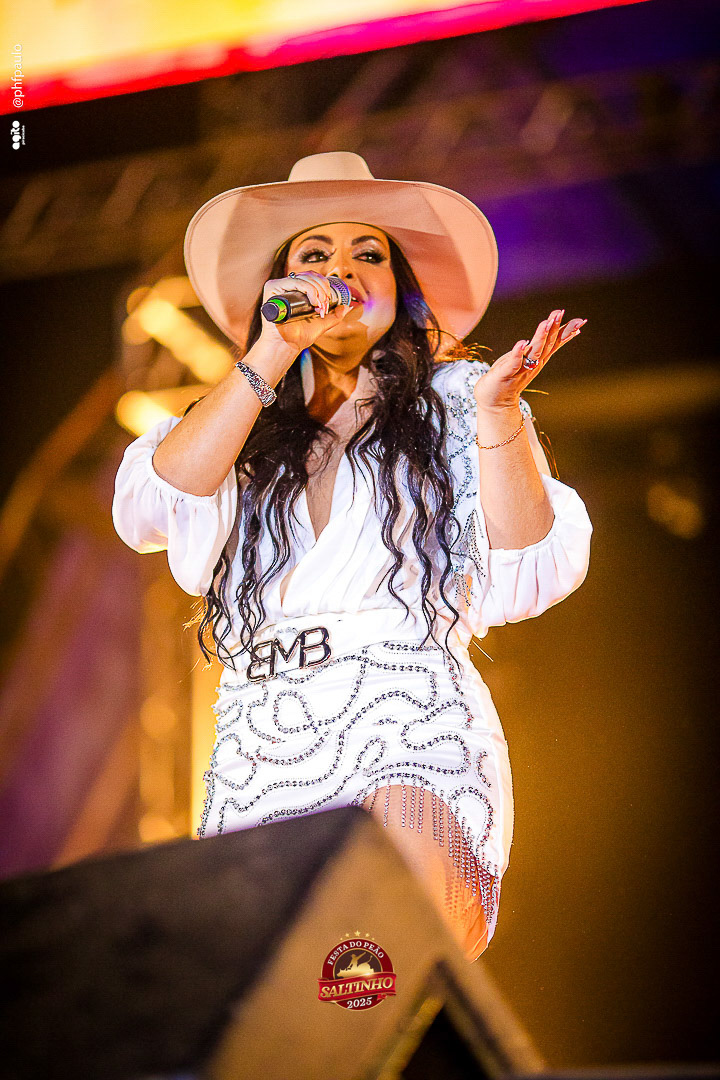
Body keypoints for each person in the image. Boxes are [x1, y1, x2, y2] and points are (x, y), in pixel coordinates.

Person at [112, 152, 593, 962]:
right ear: (279, 284)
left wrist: (501, 412)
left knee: (371, 958)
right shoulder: (235, 425)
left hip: (405, 722)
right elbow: (147, 510)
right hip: (263, 740)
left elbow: (528, 567)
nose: (342, 270)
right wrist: (272, 351)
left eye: (368, 253)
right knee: (270, 995)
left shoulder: (456, 401)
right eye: (315, 254)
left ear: (398, 287)